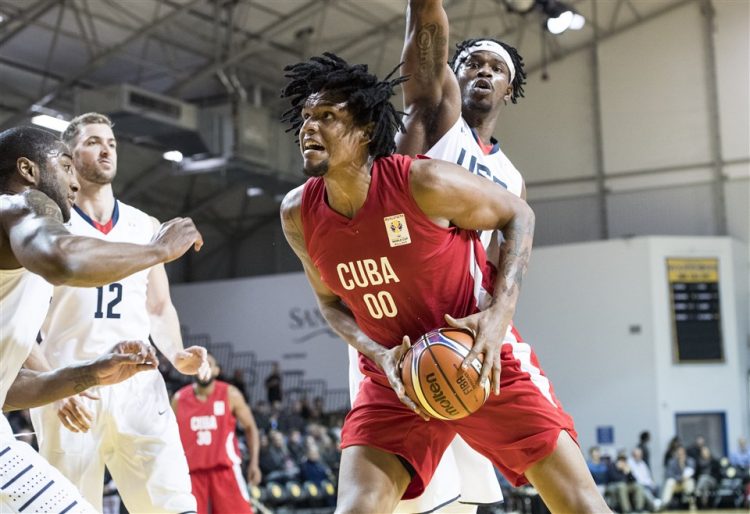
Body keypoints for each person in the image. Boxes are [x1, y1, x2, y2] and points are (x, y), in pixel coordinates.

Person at [279, 53, 608, 513]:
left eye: (328, 117)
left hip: (476, 352)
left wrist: (498, 316)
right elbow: (331, 303)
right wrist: (379, 355)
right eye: (306, 117)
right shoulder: (298, 214)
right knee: (356, 508)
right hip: (395, 373)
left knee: (581, 506)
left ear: (366, 131)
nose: (309, 127)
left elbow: (519, 214)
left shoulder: (422, 181)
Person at [347, 1, 529, 510]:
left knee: (469, 499)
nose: (483, 73)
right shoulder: (435, 120)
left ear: (509, 89)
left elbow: (498, 265)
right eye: (472, 63)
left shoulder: (511, 178)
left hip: (458, 334)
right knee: (411, 496)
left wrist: (496, 320)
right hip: (398, 323)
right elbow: (425, 49)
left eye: (496, 69)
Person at [0, 125, 202, 512]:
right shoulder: (19, 204)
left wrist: (89, 374)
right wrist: (158, 251)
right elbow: (63, 259)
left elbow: (5, 389)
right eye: (64, 165)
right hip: (67, 389)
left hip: (117, 389)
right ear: (28, 170)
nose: (72, 182)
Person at [172, 352, 261, 514]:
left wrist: (254, 463)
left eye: (208, 364)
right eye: (199, 364)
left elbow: (251, 427)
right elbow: (168, 439)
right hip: (191, 475)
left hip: (224, 472)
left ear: (216, 370)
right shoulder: (179, 399)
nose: (203, 368)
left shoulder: (230, 394)